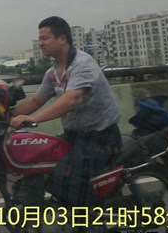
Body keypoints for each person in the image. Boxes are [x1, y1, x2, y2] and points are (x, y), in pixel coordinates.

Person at [10, 16, 121, 209]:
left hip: (101, 137)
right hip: (75, 136)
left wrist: (34, 118)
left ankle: (89, 221)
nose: (41, 43)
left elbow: (71, 99)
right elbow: (36, 100)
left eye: (45, 38)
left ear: (62, 38)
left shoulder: (82, 64)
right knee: (42, 162)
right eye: (39, 39)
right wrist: (4, 115)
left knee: (65, 175)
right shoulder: (53, 72)